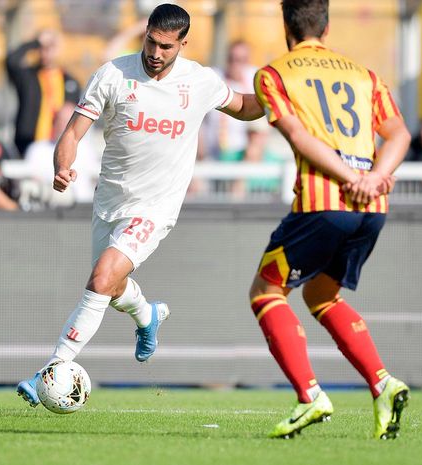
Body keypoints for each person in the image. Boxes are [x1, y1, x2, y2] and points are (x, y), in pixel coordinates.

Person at [16, 4, 264, 407]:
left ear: (183, 43)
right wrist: (63, 166)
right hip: (109, 201)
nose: (156, 53)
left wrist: (279, 96)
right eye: (151, 41)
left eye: (166, 46)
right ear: (144, 34)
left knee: (100, 279)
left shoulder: (198, 81)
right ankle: (147, 315)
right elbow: (73, 132)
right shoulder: (114, 73)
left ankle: (54, 366)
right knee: (110, 288)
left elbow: (244, 106)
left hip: (156, 207)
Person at [248, 0, 411, 440]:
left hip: (326, 203)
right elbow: (399, 133)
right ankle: (382, 383)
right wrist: (376, 176)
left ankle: (309, 396)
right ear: (326, 24)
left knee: (266, 291)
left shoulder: (274, 73)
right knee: (322, 294)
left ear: (287, 25)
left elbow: (299, 136)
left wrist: (351, 178)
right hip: (372, 209)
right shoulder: (364, 74)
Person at [199, 40, 270, 196]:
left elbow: (260, 132)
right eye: (232, 59)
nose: (235, 64)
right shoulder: (215, 77)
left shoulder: (254, 79)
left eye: (241, 60)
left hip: (242, 156)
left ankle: (238, 188)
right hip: (212, 155)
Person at [6, 29, 81, 157]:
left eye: (51, 47)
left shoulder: (70, 82)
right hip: (28, 144)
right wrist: (35, 42)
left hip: (58, 146)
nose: (46, 52)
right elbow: (11, 61)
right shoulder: (28, 76)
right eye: (42, 47)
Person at [24, 102, 102, 204]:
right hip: (48, 208)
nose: (63, 125)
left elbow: (96, 177)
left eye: (68, 121)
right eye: (60, 121)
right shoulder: (37, 149)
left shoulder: (87, 149)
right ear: (53, 122)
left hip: (84, 207)